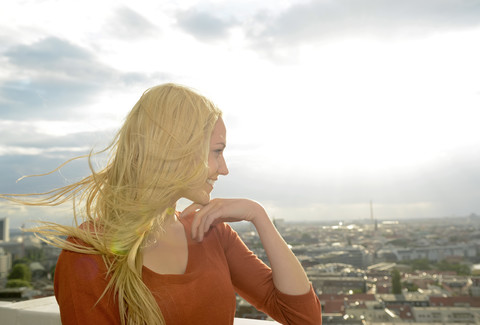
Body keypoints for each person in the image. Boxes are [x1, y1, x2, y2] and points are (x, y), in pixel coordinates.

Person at [2, 84, 321, 324]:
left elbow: (303, 317)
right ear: (177, 151)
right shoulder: (89, 252)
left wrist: (259, 215)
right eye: (217, 151)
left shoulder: (211, 233)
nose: (224, 169)